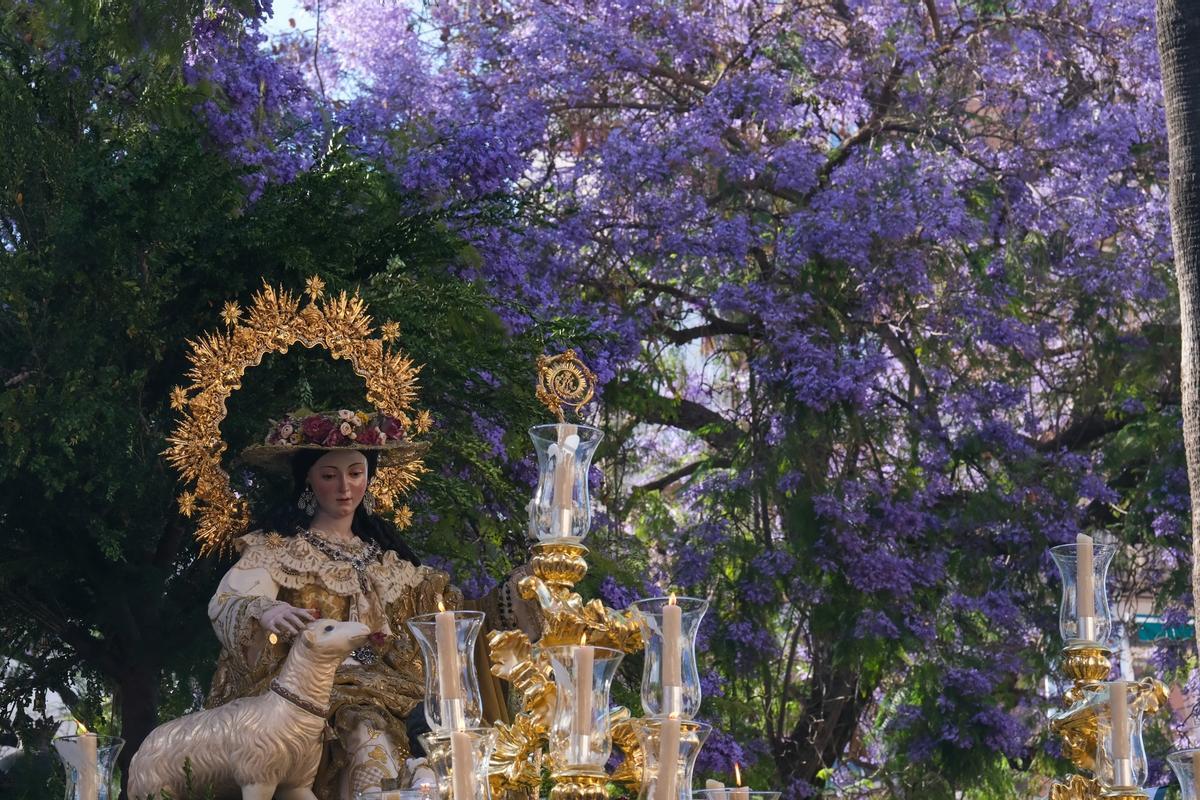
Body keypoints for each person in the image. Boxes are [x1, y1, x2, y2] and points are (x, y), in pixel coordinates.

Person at [205, 409, 538, 800]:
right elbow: (228, 600)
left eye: (355, 473)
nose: (344, 487)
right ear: (308, 480)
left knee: (449, 743)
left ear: (369, 477)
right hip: (319, 694)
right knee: (366, 731)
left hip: (399, 693)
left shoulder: (389, 562)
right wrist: (265, 610)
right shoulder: (278, 551)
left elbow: (450, 619)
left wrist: (518, 592)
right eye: (329, 476)